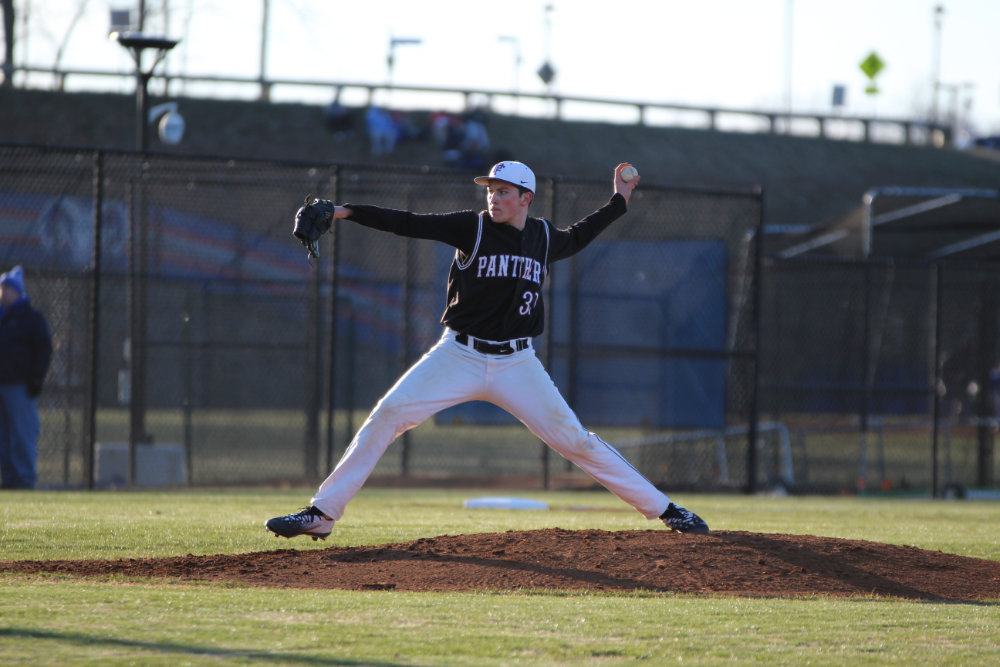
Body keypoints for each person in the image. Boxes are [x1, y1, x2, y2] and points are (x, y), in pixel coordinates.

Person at [266, 161, 709, 539]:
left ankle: (667, 510)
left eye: (503, 191)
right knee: (387, 415)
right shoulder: (471, 226)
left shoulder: (541, 238)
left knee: (575, 440)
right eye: (490, 190)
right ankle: (322, 514)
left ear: (526, 198)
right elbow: (409, 221)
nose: (493, 198)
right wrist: (343, 212)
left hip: (517, 362)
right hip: (457, 355)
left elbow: (581, 234)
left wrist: (620, 200)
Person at [0, 266, 53, 490]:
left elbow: (44, 350)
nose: (1, 292)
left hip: (19, 386)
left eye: (5, 288)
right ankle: (10, 478)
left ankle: (25, 478)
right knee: (3, 436)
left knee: (22, 434)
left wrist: (36, 379)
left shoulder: (31, 318)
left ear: (16, 291)